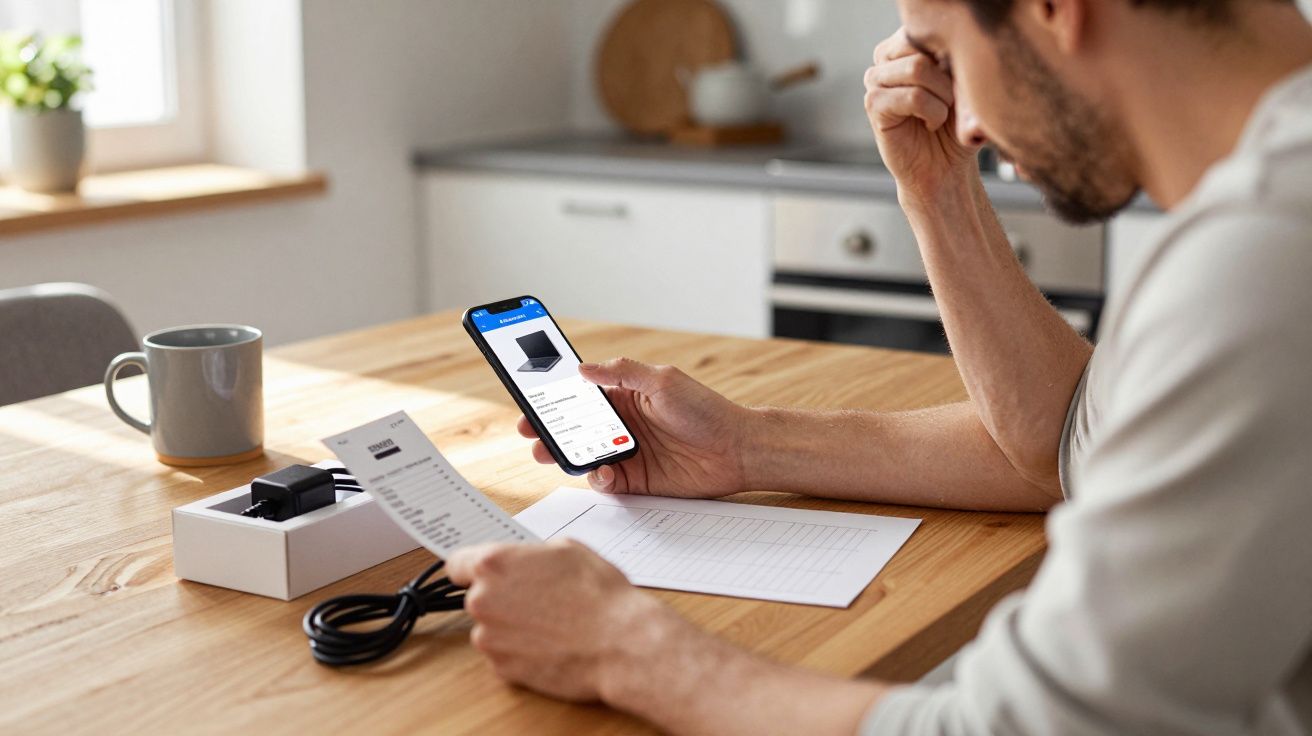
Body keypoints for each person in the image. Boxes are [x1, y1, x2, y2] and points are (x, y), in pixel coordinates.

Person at [446, 0, 1312, 732]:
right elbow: (1080, 441)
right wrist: (748, 446)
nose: (965, 121)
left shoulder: (1268, 248)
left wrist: (623, 645)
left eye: (947, 55)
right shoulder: (1264, 191)